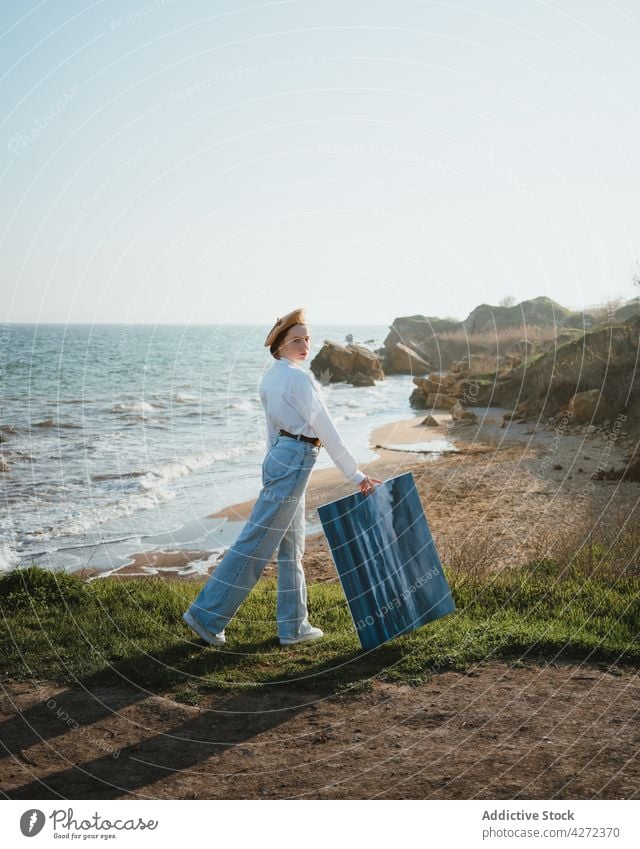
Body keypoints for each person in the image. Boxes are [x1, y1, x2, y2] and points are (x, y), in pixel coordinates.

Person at [183, 307, 381, 646]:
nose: (305, 345)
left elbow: (271, 430)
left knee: (292, 547)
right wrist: (356, 474)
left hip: (282, 457)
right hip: (296, 459)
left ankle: (293, 626)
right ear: (280, 345)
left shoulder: (270, 378)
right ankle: (206, 615)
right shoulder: (299, 378)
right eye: (297, 340)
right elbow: (327, 430)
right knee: (257, 541)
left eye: (307, 338)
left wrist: (273, 464)